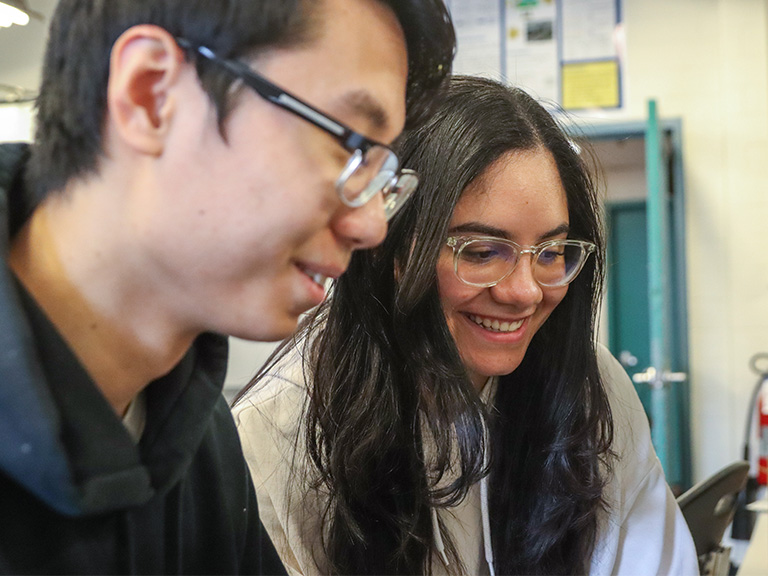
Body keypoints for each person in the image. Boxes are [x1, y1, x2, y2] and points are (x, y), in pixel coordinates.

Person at [0, 0, 455, 573]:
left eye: (381, 178)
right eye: (349, 145)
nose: (370, 226)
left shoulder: (193, 439)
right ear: (151, 94)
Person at [233, 75, 699, 575]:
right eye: (480, 252)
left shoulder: (591, 385)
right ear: (391, 249)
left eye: (550, 252)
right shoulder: (278, 436)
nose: (524, 292)